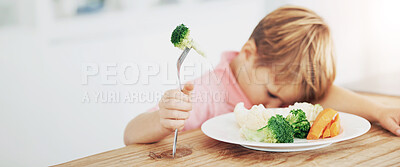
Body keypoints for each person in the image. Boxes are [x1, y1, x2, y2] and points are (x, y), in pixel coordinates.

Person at [124, 6, 400, 144]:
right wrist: (162, 120)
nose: (273, 107)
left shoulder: (279, 84)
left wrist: (379, 110)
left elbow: (325, 93)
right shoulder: (208, 91)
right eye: (271, 94)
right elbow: (130, 135)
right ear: (248, 52)